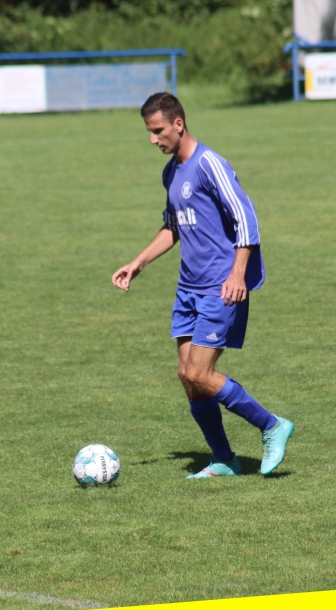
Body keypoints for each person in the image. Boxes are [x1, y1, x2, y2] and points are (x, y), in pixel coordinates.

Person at [111, 92, 295, 478]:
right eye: (149, 132)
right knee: (187, 376)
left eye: (158, 130)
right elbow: (173, 226)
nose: (153, 139)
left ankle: (272, 425)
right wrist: (138, 262)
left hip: (220, 287)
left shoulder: (209, 164)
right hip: (188, 288)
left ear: (178, 124)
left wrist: (238, 273)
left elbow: (246, 217)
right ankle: (223, 459)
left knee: (199, 373)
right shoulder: (171, 172)